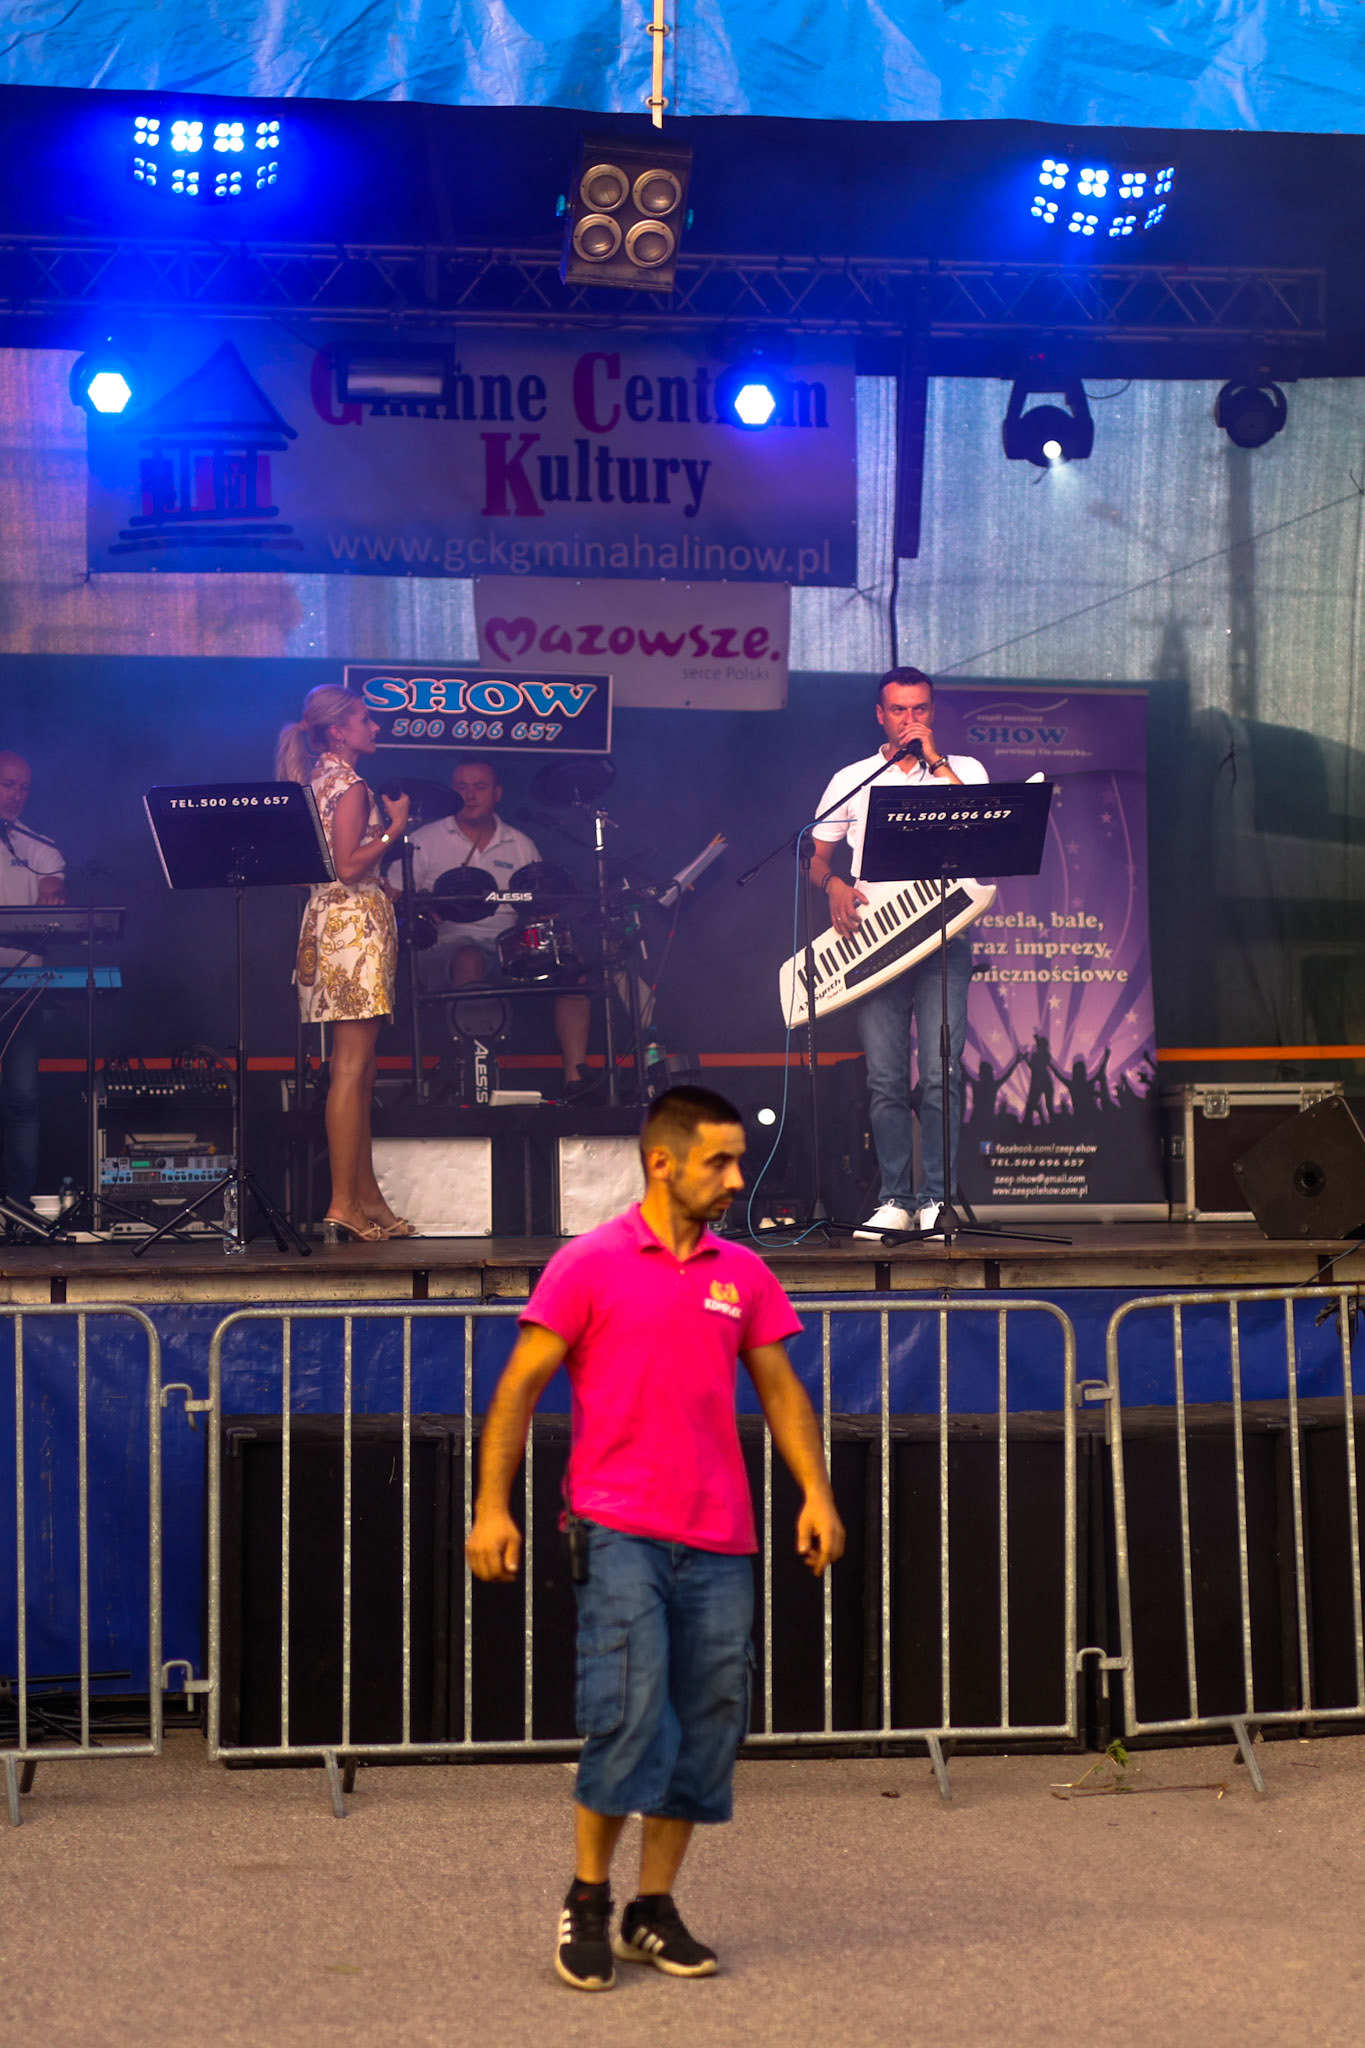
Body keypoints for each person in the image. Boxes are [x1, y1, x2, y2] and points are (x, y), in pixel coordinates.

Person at [466, 1084, 845, 1991]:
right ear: (662, 1162)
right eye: (719, 1161)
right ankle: (588, 1896)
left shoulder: (741, 1273)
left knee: (707, 1726)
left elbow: (780, 1391)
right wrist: (491, 1508)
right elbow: (518, 1389)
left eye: (737, 1161)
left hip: (722, 1536)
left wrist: (816, 1494)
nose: (736, 1179)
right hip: (617, 1528)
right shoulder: (587, 1265)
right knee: (629, 1717)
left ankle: (652, 1909)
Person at [808, 667, 988, 1239]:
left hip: (942, 936)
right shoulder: (853, 779)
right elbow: (815, 857)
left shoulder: (963, 770)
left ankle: (937, 1197)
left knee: (939, 1073)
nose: (911, 719)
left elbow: (981, 825)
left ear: (933, 712)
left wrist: (935, 762)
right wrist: (834, 886)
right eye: (900, 710)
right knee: (884, 1078)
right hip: (877, 941)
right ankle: (895, 1198)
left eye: (921, 709)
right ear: (880, 715)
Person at [275, 686, 412, 1243]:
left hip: (326, 924)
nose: (374, 726)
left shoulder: (314, 782)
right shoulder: (351, 785)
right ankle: (343, 1203)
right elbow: (349, 867)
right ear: (338, 731)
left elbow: (315, 870)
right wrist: (395, 827)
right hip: (353, 932)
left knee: (359, 1066)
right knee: (352, 1067)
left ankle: (366, 1197)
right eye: (364, 719)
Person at [396, 756, 591, 1092]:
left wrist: (544, 916)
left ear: (497, 793)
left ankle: (576, 1082)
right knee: (469, 957)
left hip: (508, 947)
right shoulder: (425, 839)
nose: (470, 795)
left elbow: (537, 904)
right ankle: (474, 1081)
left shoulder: (520, 843)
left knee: (574, 968)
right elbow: (393, 894)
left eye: (479, 787)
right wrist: (427, 909)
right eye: (462, 787)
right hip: (445, 948)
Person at [0, 751, 66, 1217]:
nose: (16, 795)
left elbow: (51, 890)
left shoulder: (40, 847)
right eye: (8, 784)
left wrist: (51, 894)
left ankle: (17, 1211)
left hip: (23, 989)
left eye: (23, 787)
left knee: (22, 1098)